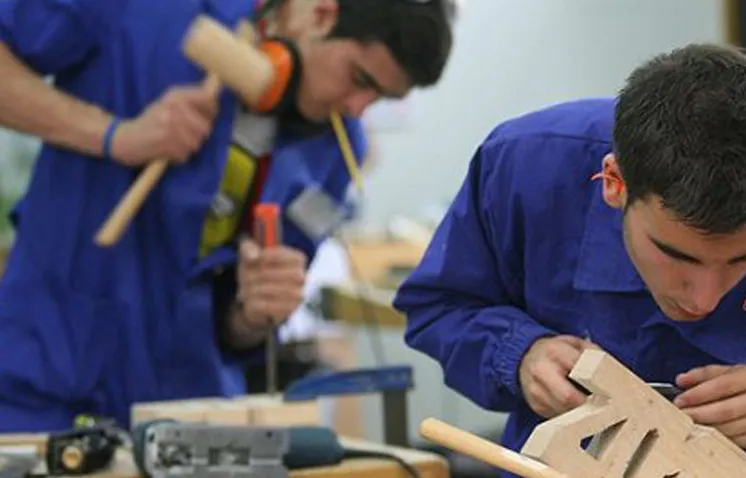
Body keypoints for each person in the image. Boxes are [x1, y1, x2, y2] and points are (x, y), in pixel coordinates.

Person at [393, 43, 746, 478]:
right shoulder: (528, 166)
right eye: (677, 256)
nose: (704, 299)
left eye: (743, 259)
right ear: (614, 182)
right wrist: (518, 354)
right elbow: (440, 306)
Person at [0, 0, 452, 431]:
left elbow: (235, 327)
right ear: (321, 13)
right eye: (359, 78)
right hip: (49, 375)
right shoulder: (146, 12)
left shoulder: (337, 147)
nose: (356, 108)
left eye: (379, 97)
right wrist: (114, 136)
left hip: (190, 409)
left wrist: (251, 314)